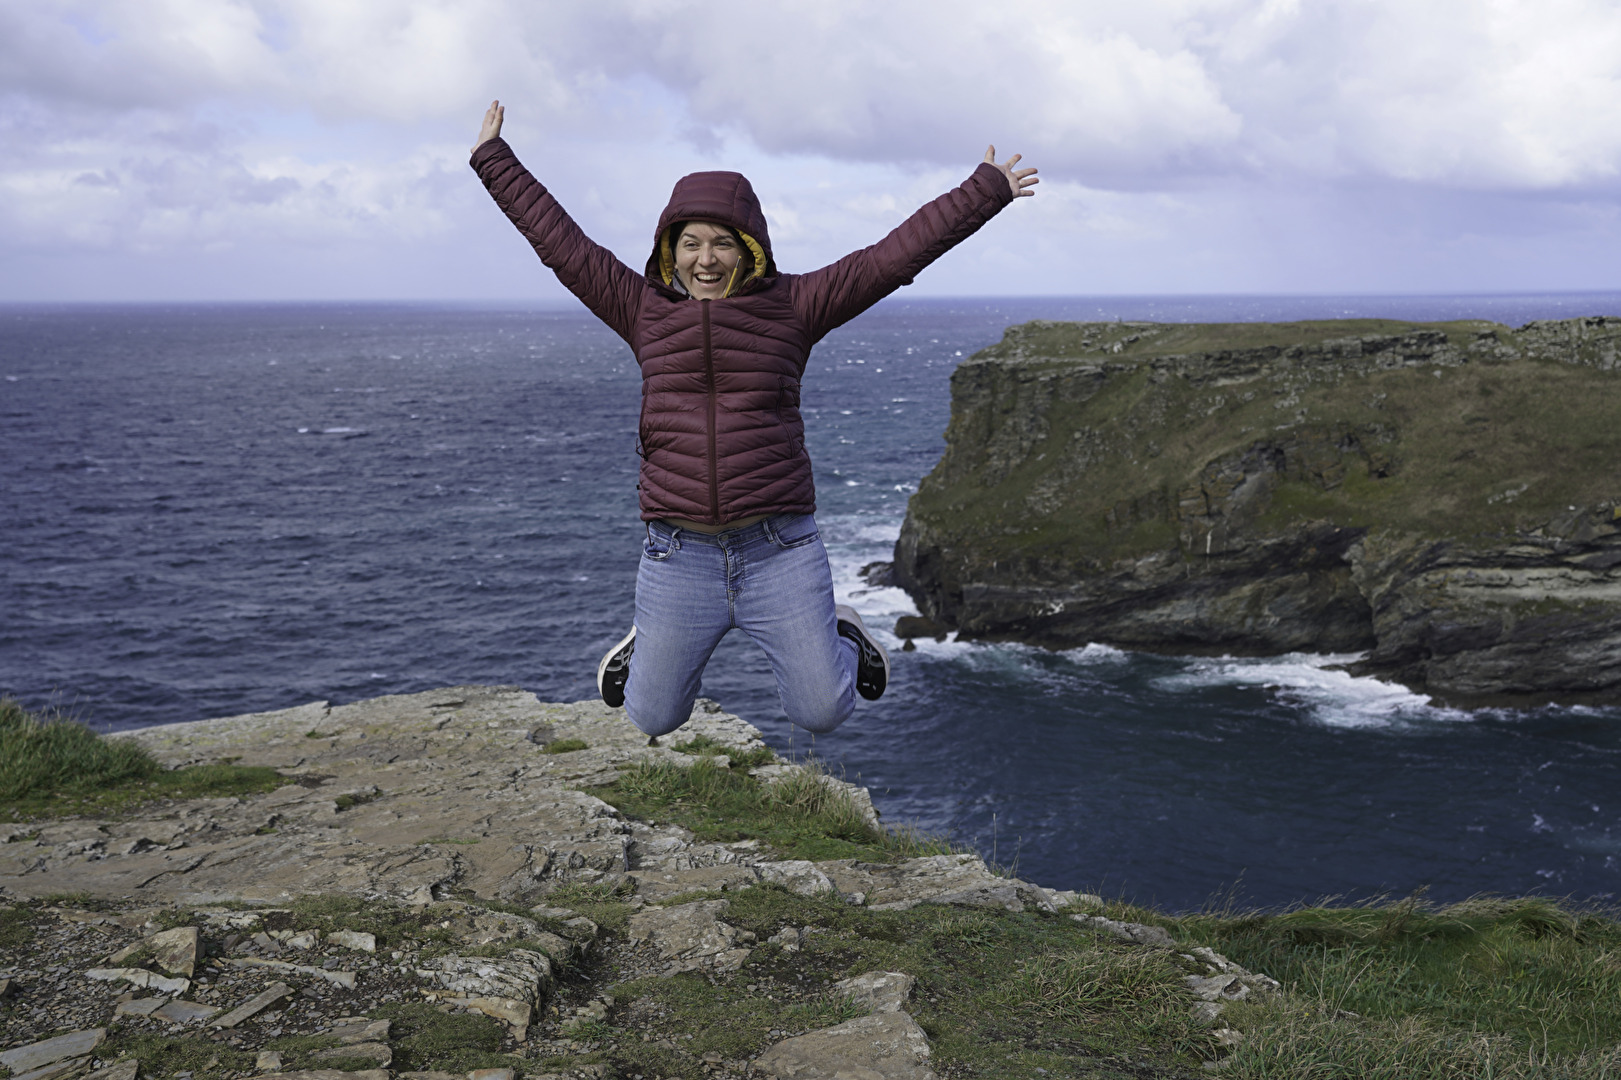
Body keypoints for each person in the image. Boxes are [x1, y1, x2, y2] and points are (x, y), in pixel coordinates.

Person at [470, 100, 1036, 740]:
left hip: (779, 550)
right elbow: (561, 245)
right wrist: (494, 159)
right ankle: (646, 641)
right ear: (670, 252)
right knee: (653, 716)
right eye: (690, 244)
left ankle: (842, 633)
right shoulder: (641, 309)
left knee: (822, 711)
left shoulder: (795, 306)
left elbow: (891, 259)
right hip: (679, 553)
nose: (705, 259)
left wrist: (985, 191)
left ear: (751, 251)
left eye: (722, 243)